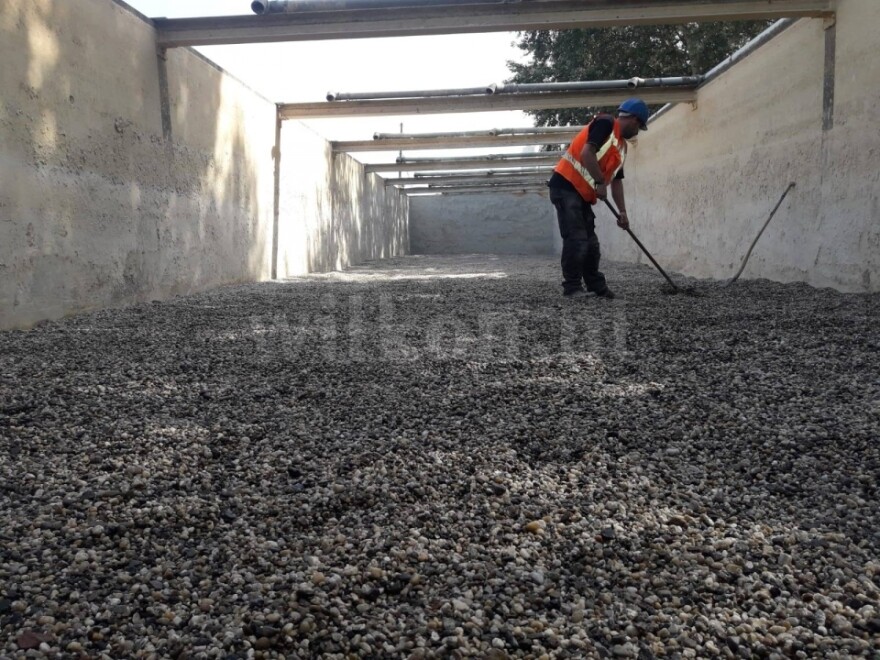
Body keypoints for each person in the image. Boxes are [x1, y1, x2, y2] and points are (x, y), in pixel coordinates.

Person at [547, 98, 649, 299]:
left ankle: (596, 286)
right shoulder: (605, 123)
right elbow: (587, 153)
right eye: (639, 127)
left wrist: (622, 212)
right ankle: (572, 288)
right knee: (576, 239)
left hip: (582, 195)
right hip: (565, 185)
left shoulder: (622, 148)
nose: (637, 133)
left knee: (591, 244)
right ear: (635, 120)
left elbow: (617, 181)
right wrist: (600, 182)